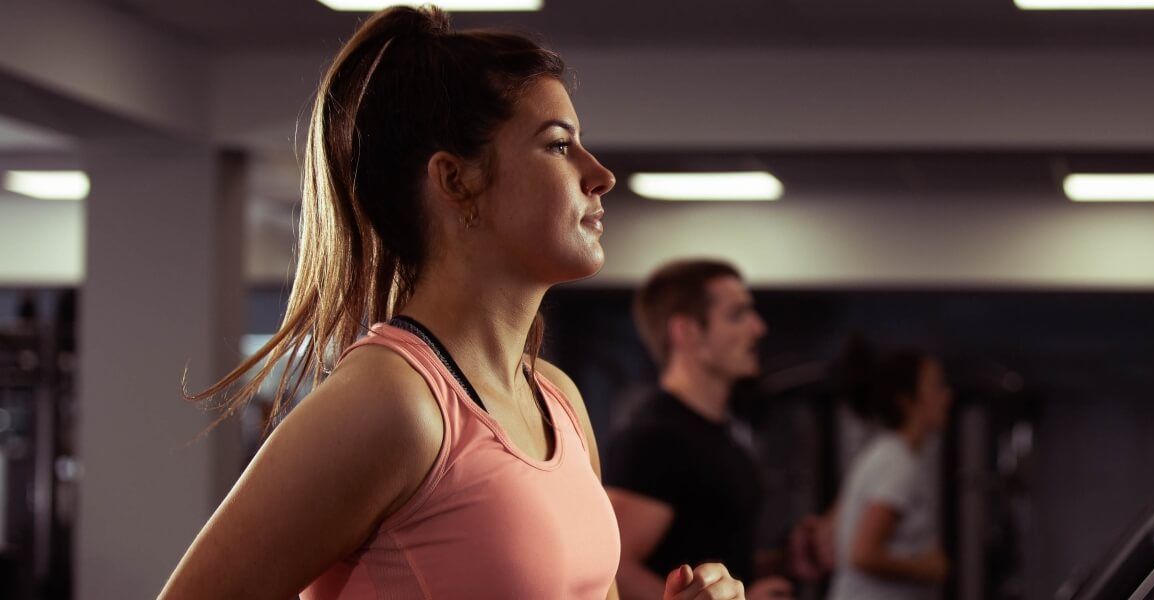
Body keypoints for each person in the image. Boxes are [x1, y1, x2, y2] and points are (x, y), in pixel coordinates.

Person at [160, 7, 743, 599]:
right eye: (558, 146)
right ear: (456, 181)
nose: (599, 175)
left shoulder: (558, 399)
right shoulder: (392, 404)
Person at [606, 260, 799, 599]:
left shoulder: (721, 434)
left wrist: (784, 560)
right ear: (687, 332)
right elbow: (613, 566)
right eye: (738, 315)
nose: (758, 328)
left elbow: (711, 551)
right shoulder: (654, 439)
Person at [828, 349, 952, 600]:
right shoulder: (897, 463)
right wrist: (927, 569)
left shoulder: (885, 454)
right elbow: (863, 554)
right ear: (907, 400)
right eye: (936, 386)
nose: (947, 395)